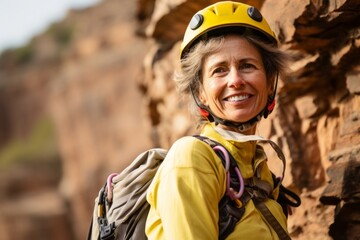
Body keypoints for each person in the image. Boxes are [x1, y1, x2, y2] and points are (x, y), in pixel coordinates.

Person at [145, 1, 290, 239]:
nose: (235, 80)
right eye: (219, 70)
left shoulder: (258, 169)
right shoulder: (192, 159)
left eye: (247, 65)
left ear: (270, 80)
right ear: (201, 91)